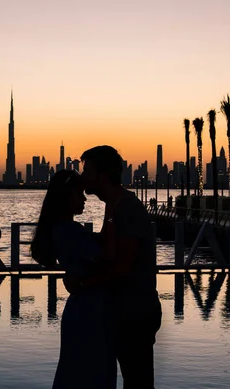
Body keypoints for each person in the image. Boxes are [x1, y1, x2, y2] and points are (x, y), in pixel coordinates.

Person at [67, 145, 162, 389]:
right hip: (124, 310)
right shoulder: (114, 205)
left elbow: (122, 266)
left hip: (135, 312)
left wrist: (82, 284)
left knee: (138, 382)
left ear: (103, 175)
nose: (83, 176)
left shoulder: (126, 207)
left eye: (87, 170)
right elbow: (109, 249)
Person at [31, 169, 116, 389]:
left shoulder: (64, 230)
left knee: (79, 372)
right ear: (66, 197)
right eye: (79, 194)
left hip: (84, 308)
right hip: (89, 311)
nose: (85, 199)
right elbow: (107, 255)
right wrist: (111, 211)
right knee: (90, 373)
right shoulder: (69, 231)